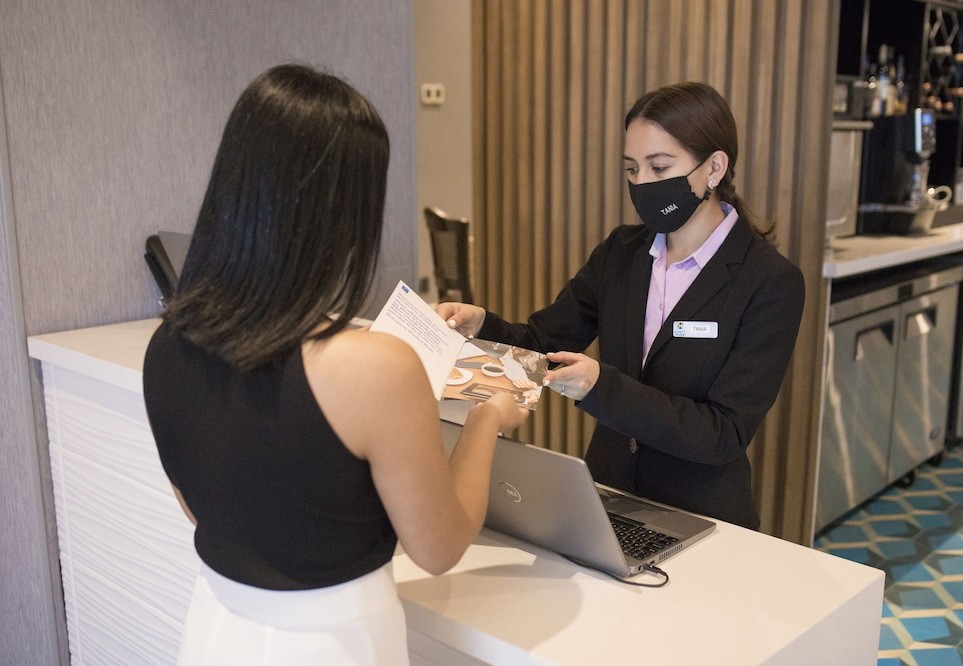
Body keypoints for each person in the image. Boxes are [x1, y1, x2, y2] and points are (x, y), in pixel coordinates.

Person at [142, 64, 528, 664]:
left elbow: (204, 507)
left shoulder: (167, 344)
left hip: (214, 630)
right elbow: (440, 547)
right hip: (334, 644)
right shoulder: (375, 366)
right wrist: (488, 418)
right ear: (343, 213)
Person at [437, 81, 805, 530]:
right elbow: (541, 343)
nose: (642, 183)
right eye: (632, 168)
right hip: (607, 499)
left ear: (714, 167)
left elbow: (723, 433)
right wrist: (481, 325)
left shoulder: (770, 281)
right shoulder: (621, 253)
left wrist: (601, 387)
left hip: (703, 518)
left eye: (659, 166)